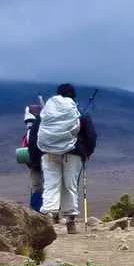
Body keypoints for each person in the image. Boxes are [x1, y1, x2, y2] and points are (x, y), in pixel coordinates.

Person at [37, 83, 97, 233]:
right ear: (73, 96)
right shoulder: (78, 113)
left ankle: (49, 218)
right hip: (73, 153)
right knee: (70, 186)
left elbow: (34, 136)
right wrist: (87, 152)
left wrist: (37, 155)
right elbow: (91, 135)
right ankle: (70, 221)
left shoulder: (46, 113)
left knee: (51, 185)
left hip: (48, 153)